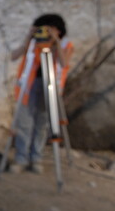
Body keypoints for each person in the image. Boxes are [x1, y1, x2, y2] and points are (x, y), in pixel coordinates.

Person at [9, 13, 73, 174]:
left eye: (49, 29)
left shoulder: (65, 44)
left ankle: (36, 158)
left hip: (50, 88)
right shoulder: (33, 44)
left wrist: (56, 42)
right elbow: (13, 56)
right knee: (24, 125)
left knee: (42, 125)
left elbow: (63, 63)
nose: (45, 33)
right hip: (29, 88)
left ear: (58, 31)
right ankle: (21, 159)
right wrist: (28, 38)